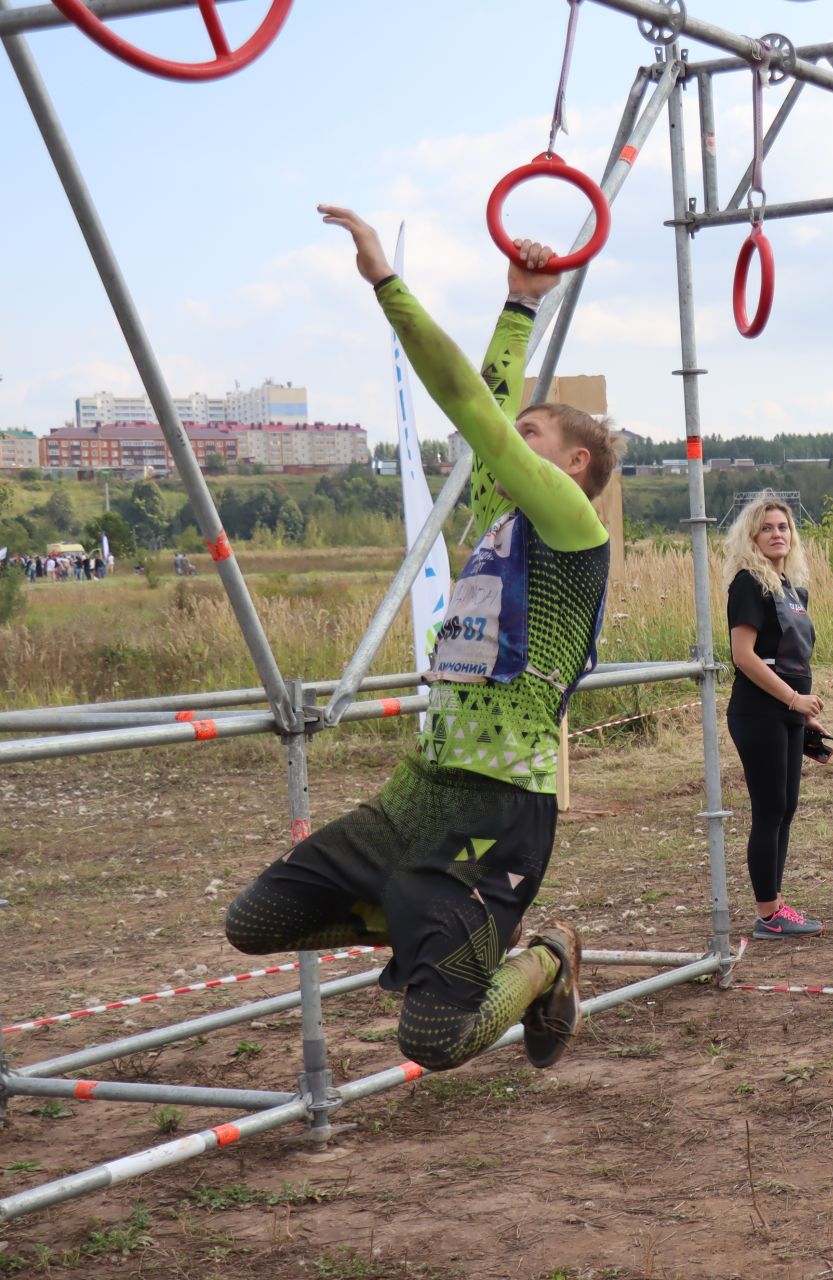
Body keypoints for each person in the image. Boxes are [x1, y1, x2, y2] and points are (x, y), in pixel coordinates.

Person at [225, 207, 617, 1072]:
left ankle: (548, 957)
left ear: (574, 465)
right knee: (253, 921)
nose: (505, 439)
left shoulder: (570, 526)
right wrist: (521, 304)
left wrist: (385, 285)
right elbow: (491, 397)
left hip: (500, 805)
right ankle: (414, 913)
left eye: (530, 436)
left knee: (436, 1040)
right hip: (421, 788)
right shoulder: (498, 520)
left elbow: (474, 406)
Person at [723, 493, 826, 940]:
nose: (777, 534)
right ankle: (768, 914)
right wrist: (792, 701)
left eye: (783, 527)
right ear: (752, 537)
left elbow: (793, 659)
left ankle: (777, 904)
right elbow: (744, 656)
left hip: (786, 712)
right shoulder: (749, 583)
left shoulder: (793, 590)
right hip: (757, 711)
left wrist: (804, 715)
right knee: (769, 810)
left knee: (785, 808)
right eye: (767, 528)